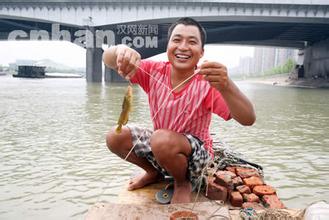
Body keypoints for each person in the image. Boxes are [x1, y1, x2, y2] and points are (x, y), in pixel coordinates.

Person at [103, 17, 256, 204]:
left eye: (192, 42)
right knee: (115, 136)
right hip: (162, 146)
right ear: (168, 46)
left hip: (196, 157)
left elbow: (248, 119)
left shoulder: (208, 83)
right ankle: (153, 172)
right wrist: (120, 50)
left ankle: (182, 183)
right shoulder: (153, 71)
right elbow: (108, 59)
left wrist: (227, 86)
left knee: (161, 139)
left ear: (201, 52)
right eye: (177, 40)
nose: (183, 47)